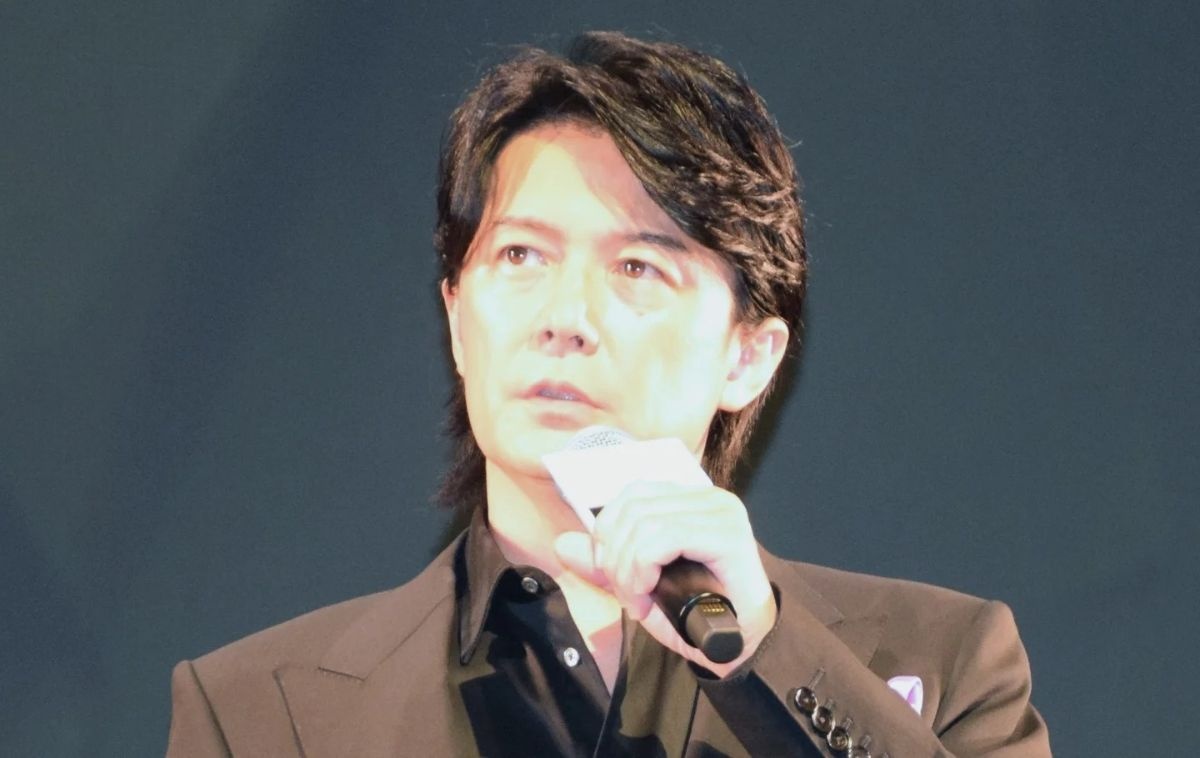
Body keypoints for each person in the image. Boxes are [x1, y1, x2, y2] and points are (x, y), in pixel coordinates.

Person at [166, 31, 1051, 757]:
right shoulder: (260, 714)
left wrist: (767, 653)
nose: (565, 317)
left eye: (636, 267)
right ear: (457, 321)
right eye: (521, 256)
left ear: (748, 356)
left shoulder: (946, 661)